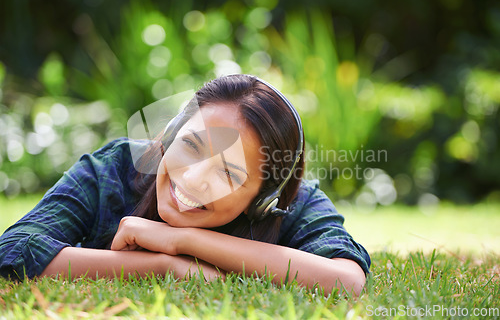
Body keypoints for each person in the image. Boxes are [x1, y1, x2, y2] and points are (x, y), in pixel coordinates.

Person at [0, 74, 370, 295]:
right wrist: (164, 266)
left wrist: (184, 241)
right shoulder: (114, 168)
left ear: (262, 199)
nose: (193, 179)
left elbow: (346, 281)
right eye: (190, 146)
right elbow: (13, 251)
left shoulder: (295, 201)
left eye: (228, 173)